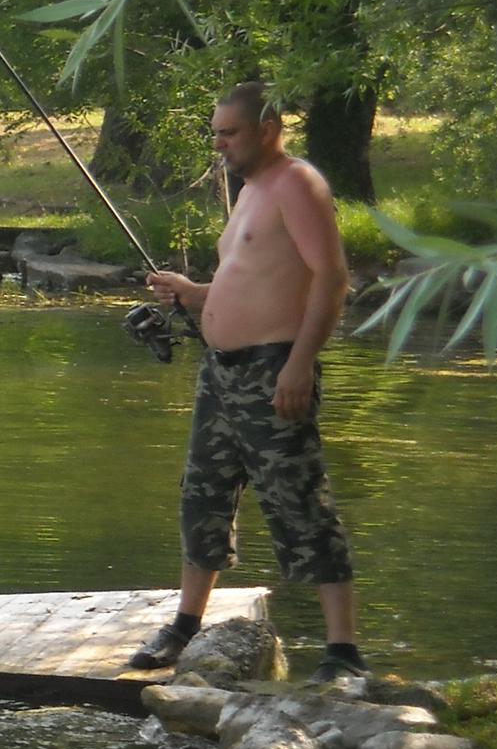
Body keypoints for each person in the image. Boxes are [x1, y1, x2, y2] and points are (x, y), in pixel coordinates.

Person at [129, 82, 364, 683]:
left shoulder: (297, 184)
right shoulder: (250, 190)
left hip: (273, 370)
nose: (219, 143)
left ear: (268, 128)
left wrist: (299, 364)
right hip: (220, 374)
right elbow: (249, 281)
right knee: (201, 495)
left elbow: (331, 277)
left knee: (299, 500)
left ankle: (342, 652)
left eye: (228, 132)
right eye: (216, 132)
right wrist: (192, 292)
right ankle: (185, 624)